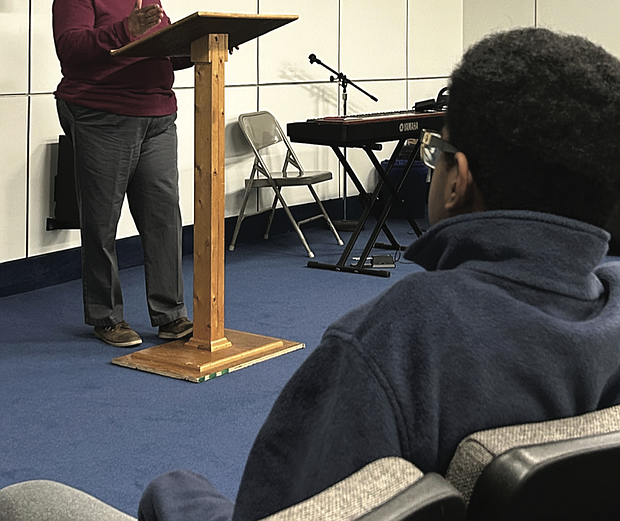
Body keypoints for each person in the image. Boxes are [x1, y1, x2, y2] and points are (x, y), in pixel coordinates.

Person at [2, 27, 620, 519]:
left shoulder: (404, 338)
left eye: (435, 153)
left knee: (33, 500)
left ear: (456, 182)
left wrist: (174, 495)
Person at [52, 0, 193, 347]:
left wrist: (203, 48)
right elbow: (70, 48)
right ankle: (106, 316)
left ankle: (170, 314)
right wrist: (123, 31)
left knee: (163, 217)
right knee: (102, 219)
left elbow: (160, 53)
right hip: (102, 114)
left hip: (156, 116)